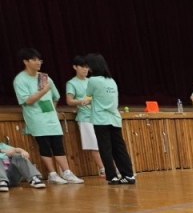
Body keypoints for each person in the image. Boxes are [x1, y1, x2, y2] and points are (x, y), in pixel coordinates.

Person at [12, 48, 83, 185]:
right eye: (34, 60)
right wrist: (43, 91)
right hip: (36, 117)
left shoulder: (44, 77)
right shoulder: (20, 79)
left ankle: (67, 172)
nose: (38, 62)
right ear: (26, 62)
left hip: (51, 117)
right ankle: (52, 174)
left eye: (39, 60)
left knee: (58, 145)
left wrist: (52, 108)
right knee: (45, 145)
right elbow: (27, 101)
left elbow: (56, 96)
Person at [85, 54, 136, 186]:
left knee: (105, 149)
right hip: (114, 118)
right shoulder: (111, 81)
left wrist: (89, 101)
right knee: (119, 148)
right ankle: (128, 175)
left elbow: (88, 94)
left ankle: (112, 176)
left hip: (101, 119)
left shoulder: (93, 80)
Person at [65, 56, 105, 177]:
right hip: (85, 117)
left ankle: (112, 167)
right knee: (94, 144)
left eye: (87, 67)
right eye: (82, 67)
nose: (85, 69)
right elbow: (69, 100)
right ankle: (102, 168)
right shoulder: (72, 83)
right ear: (75, 67)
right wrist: (81, 101)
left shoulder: (91, 81)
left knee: (104, 143)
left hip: (98, 116)